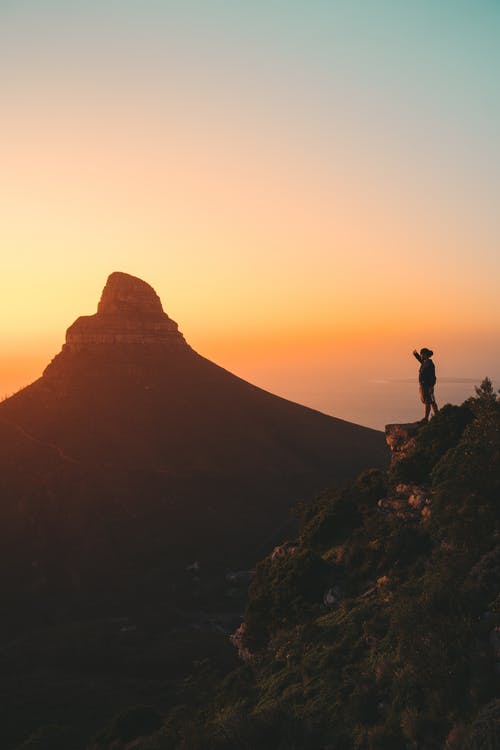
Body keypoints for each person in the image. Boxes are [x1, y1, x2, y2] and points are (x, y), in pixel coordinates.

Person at [412, 347, 438, 421]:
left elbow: (433, 377)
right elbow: (420, 360)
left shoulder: (429, 364)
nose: (421, 356)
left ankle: (426, 418)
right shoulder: (425, 362)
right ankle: (437, 415)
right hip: (424, 385)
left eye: (422, 355)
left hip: (427, 386)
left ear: (425, 355)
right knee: (431, 401)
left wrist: (431, 386)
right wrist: (416, 354)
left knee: (428, 401)